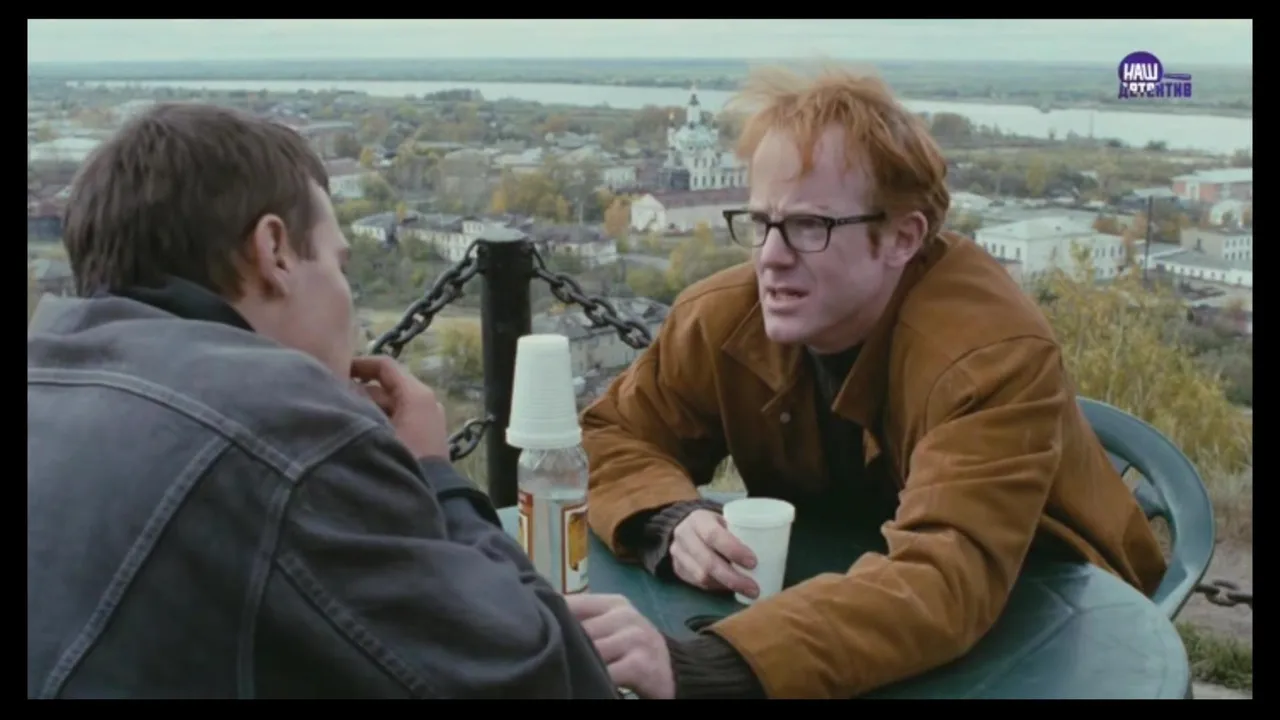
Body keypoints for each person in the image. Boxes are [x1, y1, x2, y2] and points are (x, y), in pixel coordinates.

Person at [567, 66, 1169, 699]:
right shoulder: (725, 318)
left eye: (810, 225)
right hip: (855, 607)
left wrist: (709, 667)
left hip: (1059, 621)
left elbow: (946, 576)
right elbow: (611, 436)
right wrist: (669, 517)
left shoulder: (988, 356)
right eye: (762, 222)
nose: (770, 256)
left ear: (902, 238)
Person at [27, 103, 618, 699]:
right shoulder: (287, 434)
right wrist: (435, 477)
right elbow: (553, 681)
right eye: (339, 265)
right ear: (275, 252)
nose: (349, 301)